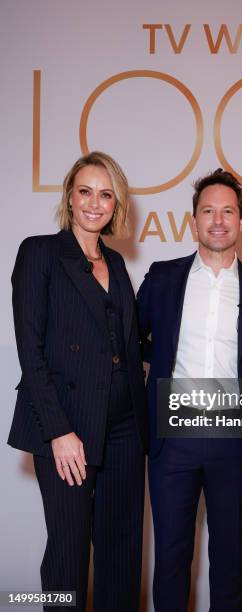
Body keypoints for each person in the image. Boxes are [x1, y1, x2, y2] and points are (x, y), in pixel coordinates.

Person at [8, 151, 148, 612]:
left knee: (121, 556)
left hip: (125, 427)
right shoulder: (40, 252)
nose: (95, 203)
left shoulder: (117, 263)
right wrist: (58, 432)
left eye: (106, 194)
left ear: (116, 203)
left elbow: (127, 351)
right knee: (67, 559)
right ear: (70, 197)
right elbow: (30, 351)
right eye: (85, 191)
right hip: (68, 427)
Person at [137, 168, 242, 612]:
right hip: (171, 440)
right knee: (172, 559)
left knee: (229, 564)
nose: (218, 220)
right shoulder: (162, 278)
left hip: (233, 444)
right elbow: (127, 346)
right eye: (208, 211)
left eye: (228, 212)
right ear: (194, 220)